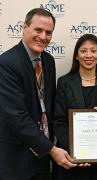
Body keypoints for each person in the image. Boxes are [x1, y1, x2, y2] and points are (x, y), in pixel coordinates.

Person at [0, 8, 76, 180]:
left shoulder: (48, 61)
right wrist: (50, 149)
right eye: (38, 30)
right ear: (24, 27)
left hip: (42, 158)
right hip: (17, 160)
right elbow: (16, 116)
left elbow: (49, 106)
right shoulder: (7, 63)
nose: (43, 37)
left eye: (49, 32)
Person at [52, 33, 97, 180]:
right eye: (83, 51)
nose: (88, 55)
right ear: (76, 56)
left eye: (93, 50)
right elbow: (58, 121)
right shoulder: (64, 82)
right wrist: (74, 148)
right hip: (72, 159)